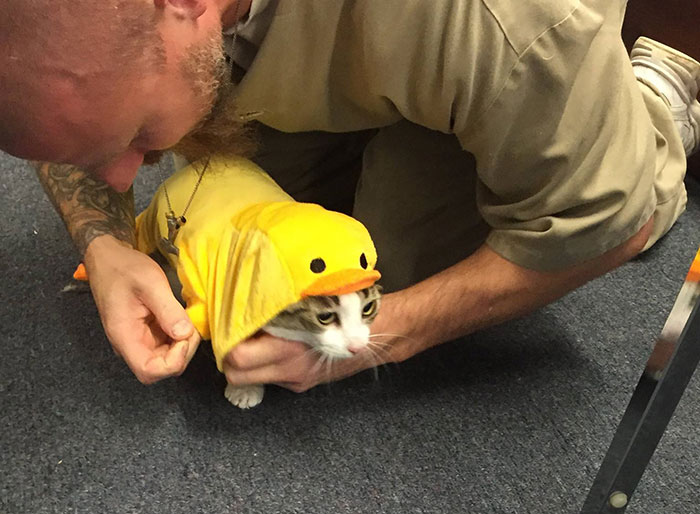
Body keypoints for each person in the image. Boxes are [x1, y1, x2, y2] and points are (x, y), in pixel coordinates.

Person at [2, 0, 699, 392]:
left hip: (516, 52)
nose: (122, 178)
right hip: (378, 44)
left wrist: (367, 343)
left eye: (132, 136)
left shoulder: (500, 20)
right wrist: (105, 243)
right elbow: (67, 105)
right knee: (267, 223)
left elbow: (611, 226)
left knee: (381, 262)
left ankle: (656, 97)